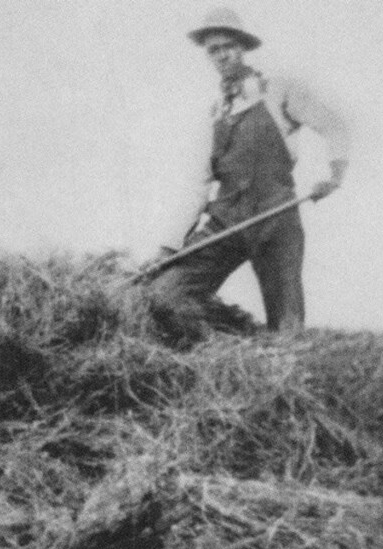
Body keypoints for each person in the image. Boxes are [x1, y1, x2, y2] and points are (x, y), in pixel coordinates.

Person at [148, 7, 350, 332]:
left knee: (287, 327)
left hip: (275, 218)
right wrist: (168, 247)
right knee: (164, 295)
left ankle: (274, 348)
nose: (222, 55)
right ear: (208, 56)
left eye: (228, 46)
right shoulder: (215, 113)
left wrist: (334, 175)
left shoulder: (277, 90)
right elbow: (198, 186)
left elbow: (334, 126)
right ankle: (244, 340)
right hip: (225, 221)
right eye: (214, 50)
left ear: (242, 48)